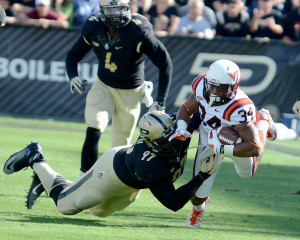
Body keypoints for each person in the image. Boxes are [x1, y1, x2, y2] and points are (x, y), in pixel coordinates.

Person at [3, 111, 217, 217]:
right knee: (66, 206)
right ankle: (35, 158)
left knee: (99, 212)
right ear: (151, 142)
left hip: (134, 182)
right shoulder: (151, 166)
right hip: (110, 173)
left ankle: (50, 183)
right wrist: (201, 177)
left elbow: (199, 111)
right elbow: (173, 203)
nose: (173, 142)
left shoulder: (174, 129)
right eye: (164, 141)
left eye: (173, 136)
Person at [66, 0, 172, 177]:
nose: (116, 14)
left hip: (131, 93)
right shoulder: (93, 26)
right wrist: (73, 75)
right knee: (93, 129)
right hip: (103, 86)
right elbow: (73, 54)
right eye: (111, 10)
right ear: (102, 11)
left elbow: (165, 62)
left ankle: (111, 181)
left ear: (128, 8)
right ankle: (83, 178)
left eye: (120, 9)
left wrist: (161, 99)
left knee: (120, 147)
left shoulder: (138, 30)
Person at [168, 59, 278, 229]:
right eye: (212, 86)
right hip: (207, 136)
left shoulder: (240, 106)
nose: (215, 92)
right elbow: (186, 109)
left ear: (234, 86)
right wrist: (182, 127)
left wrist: (220, 148)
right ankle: (199, 209)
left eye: (221, 88)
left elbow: (255, 148)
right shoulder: (200, 85)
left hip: (236, 140)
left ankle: (262, 121)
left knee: (246, 173)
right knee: (196, 193)